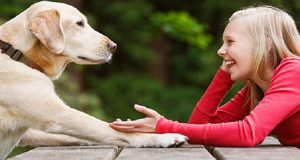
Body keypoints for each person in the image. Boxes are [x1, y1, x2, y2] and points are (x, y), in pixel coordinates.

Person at [109, 6, 300, 148]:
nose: (220, 50)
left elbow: (248, 133)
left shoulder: (294, 72)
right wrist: (224, 75)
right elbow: (199, 126)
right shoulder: (257, 89)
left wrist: (163, 126)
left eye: (230, 42)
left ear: (265, 45)